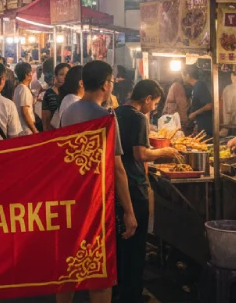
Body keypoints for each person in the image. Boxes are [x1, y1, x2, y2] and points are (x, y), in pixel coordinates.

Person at [56, 60, 137, 303]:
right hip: (95, 202)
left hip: (69, 198)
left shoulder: (69, 111)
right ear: (105, 85)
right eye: (111, 82)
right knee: (100, 271)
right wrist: (130, 212)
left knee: (68, 266)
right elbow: (118, 168)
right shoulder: (106, 118)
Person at [114, 80, 181, 303]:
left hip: (118, 185)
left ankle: (119, 290)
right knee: (136, 245)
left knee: (122, 244)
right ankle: (132, 295)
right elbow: (140, 154)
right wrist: (165, 152)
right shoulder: (139, 117)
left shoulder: (117, 112)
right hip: (134, 184)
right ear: (147, 99)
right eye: (155, 103)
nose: (154, 108)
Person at [183, 64, 213, 137]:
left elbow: (209, 105)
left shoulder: (200, 85)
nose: (182, 77)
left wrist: (195, 113)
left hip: (205, 126)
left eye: (182, 74)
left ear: (187, 75)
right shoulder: (195, 87)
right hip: (199, 126)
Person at [42, 63, 69, 130]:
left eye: (67, 74)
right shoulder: (49, 93)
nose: (65, 77)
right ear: (56, 76)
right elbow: (45, 119)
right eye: (61, 74)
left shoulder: (72, 93)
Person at [13, 62, 37, 136]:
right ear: (27, 74)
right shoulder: (24, 89)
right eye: (31, 72)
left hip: (21, 128)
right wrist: (35, 131)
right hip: (26, 130)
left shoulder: (18, 88)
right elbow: (25, 113)